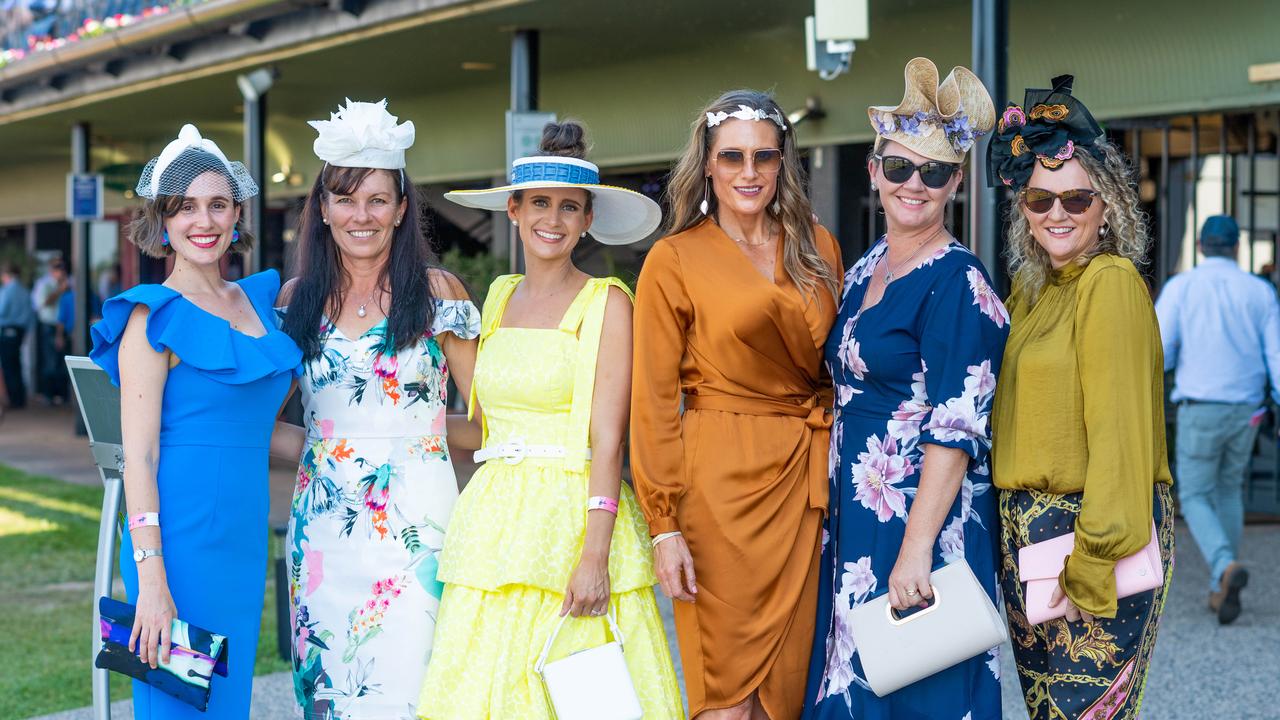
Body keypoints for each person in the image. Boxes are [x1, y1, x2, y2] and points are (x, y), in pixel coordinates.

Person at [418, 120, 682, 719]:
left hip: (572, 521)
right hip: (492, 521)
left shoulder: (609, 302)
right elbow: (486, 425)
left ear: (587, 219)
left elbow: (609, 440)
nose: (553, 220)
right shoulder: (499, 297)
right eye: (540, 203)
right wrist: (400, 432)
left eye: (570, 207)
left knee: (582, 693)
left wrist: (594, 556)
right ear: (514, 209)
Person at [802, 58, 1007, 719]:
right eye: (899, 167)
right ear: (873, 172)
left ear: (954, 185)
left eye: (935, 172)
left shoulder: (960, 282)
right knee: (861, 689)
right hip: (862, 518)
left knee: (921, 690)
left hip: (923, 521)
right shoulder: (864, 270)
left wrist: (917, 548)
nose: (913, 183)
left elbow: (956, 426)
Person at [631, 89, 842, 720]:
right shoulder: (674, 259)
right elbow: (652, 401)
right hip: (716, 489)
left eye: (763, 156)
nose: (748, 173)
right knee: (726, 695)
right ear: (708, 165)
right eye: (732, 158)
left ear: (783, 163)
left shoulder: (819, 247)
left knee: (793, 688)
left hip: (806, 484)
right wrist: (663, 524)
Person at [275, 99, 481, 720]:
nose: (359, 215)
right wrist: (329, 446)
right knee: (333, 691)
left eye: (376, 200)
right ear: (323, 210)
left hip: (419, 526)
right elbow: (256, 426)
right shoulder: (295, 301)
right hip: (323, 534)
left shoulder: (440, 295)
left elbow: (491, 419)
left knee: (417, 688)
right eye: (344, 199)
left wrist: (414, 434)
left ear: (400, 210)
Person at [89, 124, 302, 718]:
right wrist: (151, 577)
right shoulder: (149, 321)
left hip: (240, 538)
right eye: (185, 208)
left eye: (217, 204)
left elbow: (263, 434)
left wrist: (372, 445)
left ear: (238, 213)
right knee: (177, 705)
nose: (203, 221)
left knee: (226, 703)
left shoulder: (260, 306)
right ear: (163, 220)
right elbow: (142, 457)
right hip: (175, 547)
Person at [988, 76, 1174, 720]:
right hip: (1026, 534)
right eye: (1040, 199)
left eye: (1076, 198)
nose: (1057, 213)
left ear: (1109, 207)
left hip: (1091, 531)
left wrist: (1096, 554)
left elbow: (1122, 433)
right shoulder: (1033, 291)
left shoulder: (1110, 282)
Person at [1155, 214, 1279, 624]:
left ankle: (1224, 565)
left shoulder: (1182, 288)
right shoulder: (1260, 292)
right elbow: (1276, 357)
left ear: (1202, 246)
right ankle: (1217, 585)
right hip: (1247, 411)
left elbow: (1160, 349)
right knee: (1228, 491)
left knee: (1194, 495)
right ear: (1237, 248)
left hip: (1200, 407)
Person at [31, 257, 69, 404]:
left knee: (62, 361)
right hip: (49, 325)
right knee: (50, 361)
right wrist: (60, 290)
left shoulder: (69, 283)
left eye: (62, 267)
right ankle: (48, 395)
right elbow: (44, 303)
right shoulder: (44, 284)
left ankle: (62, 396)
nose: (61, 271)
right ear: (52, 270)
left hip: (63, 326)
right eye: (58, 268)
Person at [0, 262, 32, 409]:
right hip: (20, 331)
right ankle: (20, 398)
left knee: (8, 366)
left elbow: (2, 310)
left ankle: (14, 400)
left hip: (7, 330)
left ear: (6, 275)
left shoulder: (7, 291)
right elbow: (29, 315)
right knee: (17, 365)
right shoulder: (25, 291)